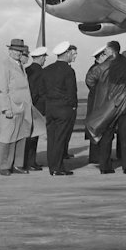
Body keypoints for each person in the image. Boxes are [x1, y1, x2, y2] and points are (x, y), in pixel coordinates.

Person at [86, 41, 126, 174]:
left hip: (108, 106)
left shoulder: (102, 67)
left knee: (106, 136)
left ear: (110, 51)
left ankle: (105, 167)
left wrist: (100, 90)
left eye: (106, 50)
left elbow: (89, 80)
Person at [0, 38, 34, 176]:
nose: (19, 53)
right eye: (17, 51)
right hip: (10, 109)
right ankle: (4, 166)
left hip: (22, 108)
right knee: (7, 138)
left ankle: (18, 164)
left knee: (21, 137)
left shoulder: (19, 65)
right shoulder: (5, 65)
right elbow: (2, 89)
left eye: (21, 51)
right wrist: (6, 109)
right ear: (10, 51)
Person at [42, 42, 79, 176]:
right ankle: (58, 168)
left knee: (52, 139)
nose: (74, 57)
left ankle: (53, 166)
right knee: (60, 139)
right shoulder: (69, 71)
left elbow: (42, 90)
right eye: (73, 54)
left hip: (50, 107)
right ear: (67, 53)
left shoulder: (46, 69)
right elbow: (71, 92)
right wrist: (73, 106)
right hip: (64, 109)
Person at [21, 46, 48, 171]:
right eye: (44, 58)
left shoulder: (27, 70)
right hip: (36, 107)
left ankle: (27, 161)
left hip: (27, 106)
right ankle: (30, 162)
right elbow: (36, 91)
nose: (45, 60)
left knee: (27, 136)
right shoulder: (41, 72)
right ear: (41, 58)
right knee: (33, 136)